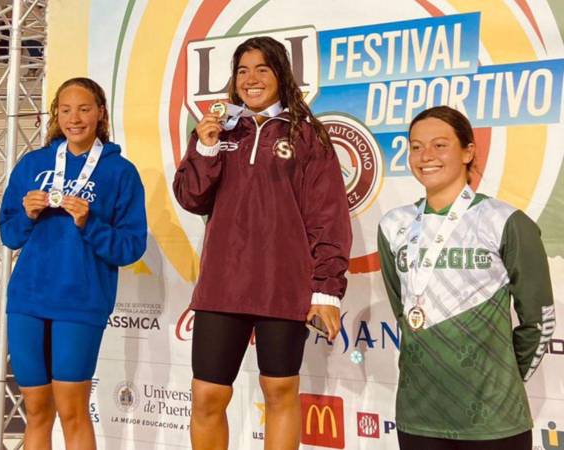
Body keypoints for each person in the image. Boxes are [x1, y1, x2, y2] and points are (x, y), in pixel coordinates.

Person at [173, 36, 352, 450]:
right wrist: (206, 146)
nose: (251, 79)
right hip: (223, 286)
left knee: (280, 392)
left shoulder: (307, 136)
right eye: (242, 71)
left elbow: (328, 216)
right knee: (207, 396)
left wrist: (326, 289)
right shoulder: (216, 131)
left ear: (281, 76)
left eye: (262, 70)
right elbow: (190, 197)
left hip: (284, 287)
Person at [377, 105, 555, 450]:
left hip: (494, 420)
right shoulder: (393, 226)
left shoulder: (505, 221)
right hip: (418, 416)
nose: (425, 156)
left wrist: (500, 380)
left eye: (440, 145)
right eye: (415, 146)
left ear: (468, 151)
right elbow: (404, 312)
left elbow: (539, 322)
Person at [0, 77, 147, 450]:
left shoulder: (120, 172)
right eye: (65, 110)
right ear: (56, 115)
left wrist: (89, 223)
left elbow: (130, 247)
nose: (74, 118)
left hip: (80, 303)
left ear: (100, 112)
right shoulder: (33, 164)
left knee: (72, 410)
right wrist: (27, 215)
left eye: (83, 109)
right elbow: (10, 234)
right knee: (35, 411)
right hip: (27, 301)